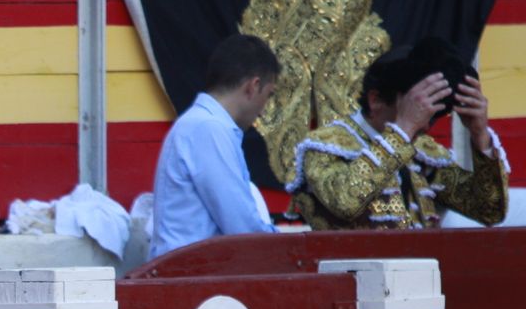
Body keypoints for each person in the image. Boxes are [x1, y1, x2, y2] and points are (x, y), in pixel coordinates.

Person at [289, 37, 508, 231]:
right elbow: (345, 201)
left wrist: (480, 138)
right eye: (414, 109)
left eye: (431, 116)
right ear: (376, 100)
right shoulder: (324, 146)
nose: (424, 126)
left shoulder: (422, 151)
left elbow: (488, 210)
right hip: (352, 276)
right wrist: (403, 129)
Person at [148, 34, 279, 259]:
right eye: (268, 96)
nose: (264, 110)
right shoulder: (208, 129)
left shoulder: (205, 125)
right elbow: (242, 228)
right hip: (189, 277)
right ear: (253, 87)